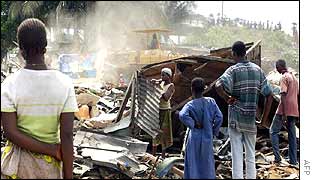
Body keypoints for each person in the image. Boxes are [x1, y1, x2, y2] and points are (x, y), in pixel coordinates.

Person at [1, 18, 78, 179]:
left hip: (18, 166)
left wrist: (51, 149)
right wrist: (67, 175)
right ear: (45, 46)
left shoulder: (10, 84)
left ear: (21, 48)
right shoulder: (65, 83)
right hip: (48, 167)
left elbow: (10, 131)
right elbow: (67, 135)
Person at [215, 41, 273, 179]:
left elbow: (218, 85)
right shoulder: (257, 70)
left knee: (236, 155)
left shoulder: (233, 70)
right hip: (251, 120)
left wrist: (226, 97)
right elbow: (269, 96)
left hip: (235, 120)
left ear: (234, 54)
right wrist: (263, 120)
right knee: (251, 156)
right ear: (245, 53)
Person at [179, 77, 223, 179]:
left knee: (193, 161)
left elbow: (182, 115)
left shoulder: (190, 104)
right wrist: (214, 131)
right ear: (204, 89)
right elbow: (219, 117)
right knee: (207, 162)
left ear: (192, 89)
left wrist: (193, 124)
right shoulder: (211, 102)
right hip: (207, 136)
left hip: (194, 137)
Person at [270, 59, 299, 166]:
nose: (276, 69)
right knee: (292, 135)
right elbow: (298, 95)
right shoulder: (295, 78)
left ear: (279, 67)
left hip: (284, 109)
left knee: (273, 131)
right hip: (294, 109)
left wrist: (285, 114)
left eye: (277, 67)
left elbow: (283, 95)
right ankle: (293, 160)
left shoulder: (284, 77)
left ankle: (277, 158)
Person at [150, 68, 175, 159]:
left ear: (168, 76)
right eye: (161, 75)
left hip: (165, 111)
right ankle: (153, 155)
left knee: (164, 133)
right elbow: (157, 82)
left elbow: (166, 98)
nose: (162, 77)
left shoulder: (171, 86)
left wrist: (158, 88)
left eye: (163, 75)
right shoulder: (161, 83)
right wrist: (156, 82)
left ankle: (163, 155)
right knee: (155, 132)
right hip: (157, 110)